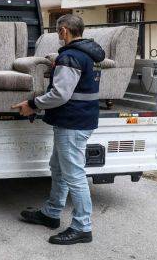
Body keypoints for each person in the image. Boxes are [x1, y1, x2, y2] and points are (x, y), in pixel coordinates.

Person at [12, 14, 105, 245]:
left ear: (64, 31)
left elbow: (60, 94)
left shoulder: (71, 57)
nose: (58, 36)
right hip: (78, 120)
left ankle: (82, 227)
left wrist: (33, 104)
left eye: (57, 32)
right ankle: (51, 213)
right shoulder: (87, 54)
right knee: (59, 168)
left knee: (74, 174)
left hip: (72, 122)